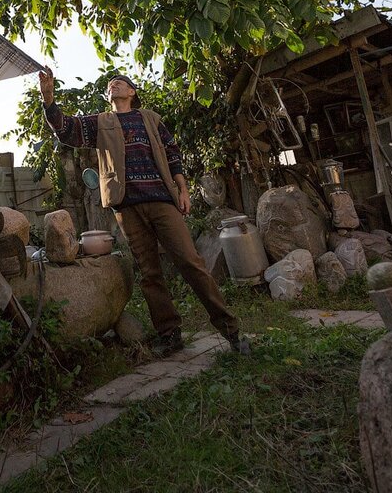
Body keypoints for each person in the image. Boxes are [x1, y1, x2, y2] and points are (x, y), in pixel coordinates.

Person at [38, 66, 249, 357]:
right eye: (111, 84)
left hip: (162, 200)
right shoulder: (100, 122)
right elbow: (66, 129)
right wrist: (48, 98)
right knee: (150, 272)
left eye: (120, 82)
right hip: (127, 207)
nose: (114, 85)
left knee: (190, 261)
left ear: (132, 92)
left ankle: (231, 330)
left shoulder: (150, 119)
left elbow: (172, 153)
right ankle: (169, 333)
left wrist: (182, 189)